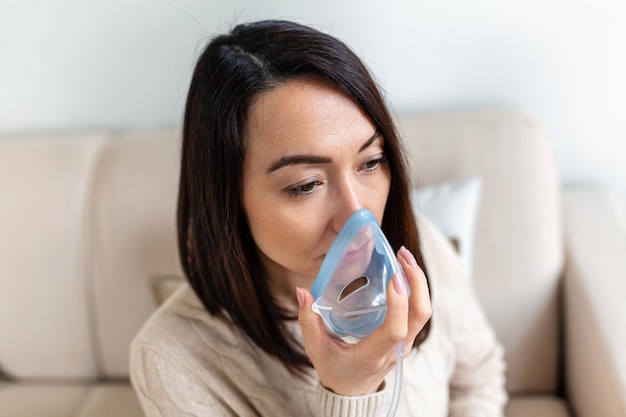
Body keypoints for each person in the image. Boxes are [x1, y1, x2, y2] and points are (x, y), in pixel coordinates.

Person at [130, 19, 507, 417]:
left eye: (371, 162)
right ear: (227, 198)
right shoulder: (171, 361)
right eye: (306, 185)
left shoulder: (422, 246)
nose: (357, 213)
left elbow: (478, 376)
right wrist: (350, 393)